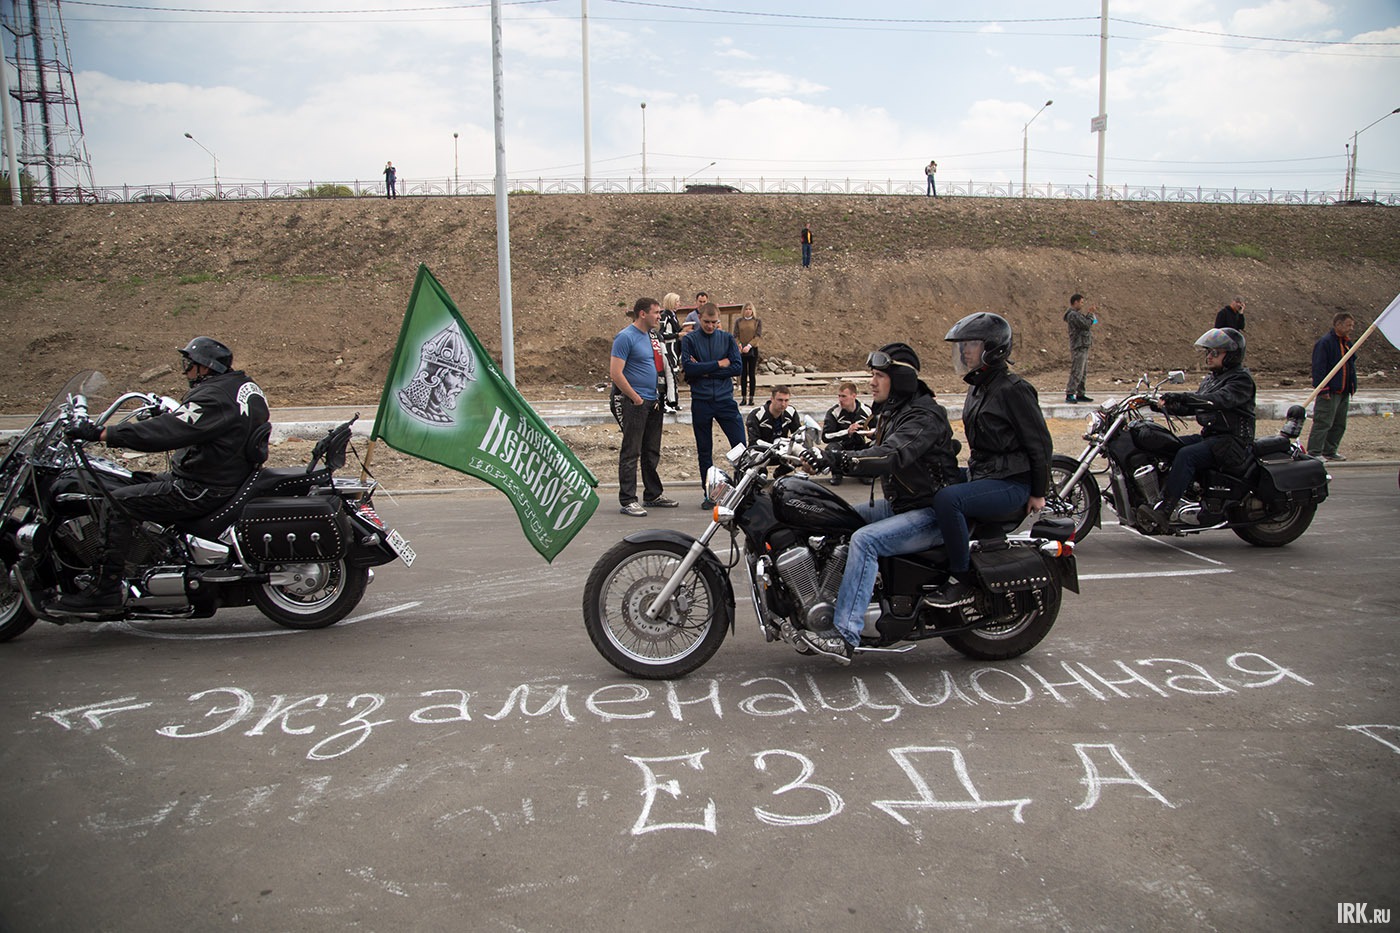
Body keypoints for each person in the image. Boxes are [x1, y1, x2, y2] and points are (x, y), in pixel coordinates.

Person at [52, 337, 271, 613]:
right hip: (223, 475)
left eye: (189, 365)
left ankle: (105, 588)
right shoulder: (240, 386)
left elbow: (168, 431)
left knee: (117, 503)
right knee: (131, 482)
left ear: (205, 367)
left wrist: (103, 433)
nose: (185, 370)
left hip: (201, 487)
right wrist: (169, 414)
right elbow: (199, 422)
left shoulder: (212, 397)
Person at [798, 344, 962, 663]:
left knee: (865, 540)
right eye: (872, 375)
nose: (871, 383)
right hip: (902, 503)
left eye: (879, 376)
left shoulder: (924, 415)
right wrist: (819, 453)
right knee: (835, 518)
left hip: (931, 511)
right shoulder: (893, 411)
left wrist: (835, 461)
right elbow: (866, 447)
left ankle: (844, 633)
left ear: (899, 379)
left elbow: (891, 455)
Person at [931, 313, 1053, 606]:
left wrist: (1039, 491)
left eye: (972, 344)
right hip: (985, 474)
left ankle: (960, 580)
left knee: (949, 500)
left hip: (1012, 481)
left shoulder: (1013, 389)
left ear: (993, 348)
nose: (965, 351)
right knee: (932, 482)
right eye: (963, 345)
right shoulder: (978, 386)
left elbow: (1040, 444)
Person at [1135, 327, 1256, 533]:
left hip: (1232, 442)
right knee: (1168, 446)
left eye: (1215, 352)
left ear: (1231, 355)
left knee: (1186, 455)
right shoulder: (1212, 378)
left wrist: (1182, 396)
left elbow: (1216, 400)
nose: (1209, 356)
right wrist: (1160, 405)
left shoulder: (1240, 380)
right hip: (1211, 438)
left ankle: (1165, 511)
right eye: (1208, 352)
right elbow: (1193, 407)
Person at [610, 297, 677, 516]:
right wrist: (635, 397)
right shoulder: (625, 337)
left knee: (651, 450)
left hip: (653, 401)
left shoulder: (653, 337)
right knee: (631, 451)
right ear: (642, 313)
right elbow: (616, 373)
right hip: (635, 402)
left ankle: (653, 494)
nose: (659, 316)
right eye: (656, 313)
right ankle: (628, 499)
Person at [682, 304, 747, 509]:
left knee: (740, 447)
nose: (710, 326)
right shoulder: (690, 340)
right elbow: (688, 369)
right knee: (704, 451)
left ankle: (743, 491)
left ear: (718, 320)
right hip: (701, 401)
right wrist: (719, 364)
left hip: (725, 400)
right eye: (706, 322)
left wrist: (704, 370)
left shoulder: (727, 338)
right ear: (699, 318)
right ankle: (710, 495)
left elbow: (737, 367)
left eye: (714, 322)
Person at [1307, 312, 1357, 461]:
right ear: (1338, 325)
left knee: (1339, 423)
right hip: (1330, 391)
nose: (1351, 329)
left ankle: (1330, 450)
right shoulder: (1325, 343)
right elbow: (1319, 367)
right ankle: (1314, 451)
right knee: (1323, 422)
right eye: (1348, 325)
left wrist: (1352, 385)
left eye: (1352, 325)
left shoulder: (1347, 343)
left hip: (1344, 390)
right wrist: (1322, 388)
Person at [821, 381, 871, 486]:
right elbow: (825, 436)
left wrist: (870, 433)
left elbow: (878, 430)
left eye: (844, 396)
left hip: (860, 446)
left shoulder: (866, 410)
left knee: (877, 444)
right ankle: (837, 473)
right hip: (842, 446)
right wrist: (847, 432)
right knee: (831, 448)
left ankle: (866, 472)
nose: (840, 399)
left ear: (854, 396)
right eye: (839, 396)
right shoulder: (834, 412)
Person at [1063, 293, 1097, 403]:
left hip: (1083, 345)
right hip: (1078, 346)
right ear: (1075, 302)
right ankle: (1070, 393)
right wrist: (1090, 314)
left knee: (1082, 372)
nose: (1082, 304)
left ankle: (1080, 393)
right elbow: (1086, 324)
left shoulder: (1077, 314)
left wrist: (1090, 316)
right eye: (1081, 302)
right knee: (1077, 371)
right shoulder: (1073, 315)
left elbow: (1087, 323)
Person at [657, 292, 684, 414]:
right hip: (669, 348)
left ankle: (673, 401)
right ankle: (667, 402)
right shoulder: (665, 316)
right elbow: (662, 333)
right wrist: (678, 335)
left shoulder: (673, 315)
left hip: (675, 348)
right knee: (669, 375)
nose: (679, 304)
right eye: (677, 301)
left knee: (674, 375)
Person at [733, 302, 763, 406]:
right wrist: (739, 345)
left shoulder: (757, 321)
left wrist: (749, 346)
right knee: (743, 374)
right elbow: (735, 335)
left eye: (750, 309)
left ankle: (751, 397)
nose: (748, 311)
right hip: (741, 350)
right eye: (746, 309)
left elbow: (758, 336)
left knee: (752, 374)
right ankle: (743, 397)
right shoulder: (739, 321)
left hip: (752, 349)